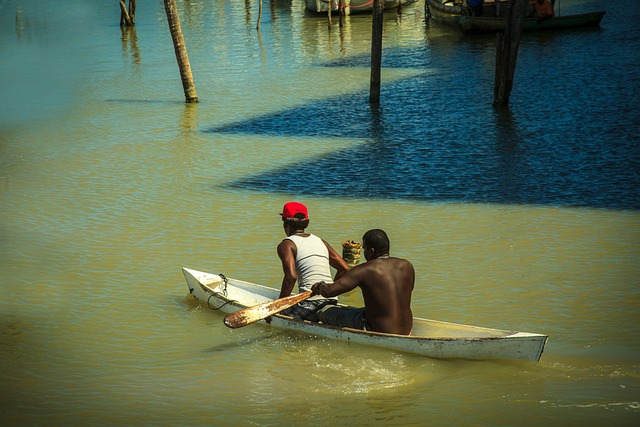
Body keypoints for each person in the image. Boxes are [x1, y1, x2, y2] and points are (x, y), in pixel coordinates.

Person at [311, 229, 414, 335]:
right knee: (353, 310)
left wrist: (320, 286)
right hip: (407, 329)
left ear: (371, 251)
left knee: (323, 311)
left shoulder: (364, 270)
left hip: (378, 329)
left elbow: (329, 292)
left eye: (364, 249)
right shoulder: (407, 266)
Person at [277, 201, 350, 322]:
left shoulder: (287, 244)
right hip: (332, 301)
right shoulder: (320, 241)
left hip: (310, 305)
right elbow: (345, 269)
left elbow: (291, 277)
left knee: (279, 314)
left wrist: (279, 305)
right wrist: (330, 289)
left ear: (285, 224)